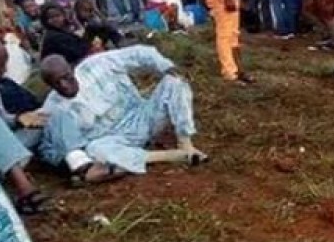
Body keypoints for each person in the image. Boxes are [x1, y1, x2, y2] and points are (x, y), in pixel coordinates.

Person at [39, 47, 208, 181]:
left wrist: (165, 66)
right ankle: (171, 156)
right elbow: (51, 150)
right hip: (114, 141)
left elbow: (141, 53)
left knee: (175, 81)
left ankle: (185, 143)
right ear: (49, 85)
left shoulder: (98, 64)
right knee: (95, 150)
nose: (64, 85)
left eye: (67, 77)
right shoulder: (55, 109)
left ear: (71, 68)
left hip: (142, 116)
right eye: (57, 83)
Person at [0, 37, 47, 150]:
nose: (5, 70)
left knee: (43, 125)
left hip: (4, 138)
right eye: (0, 65)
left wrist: (19, 119)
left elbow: (2, 118)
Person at [0, 111, 49, 215]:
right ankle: (24, 187)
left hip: (1, 137)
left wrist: (19, 119)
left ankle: (8, 168)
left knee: (44, 125)